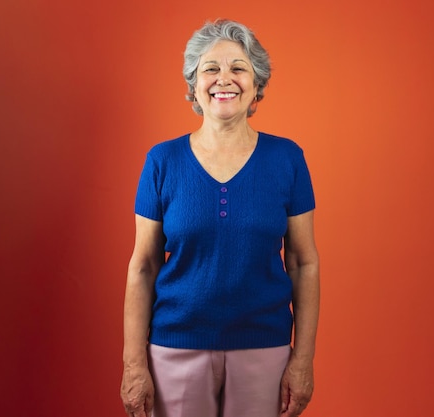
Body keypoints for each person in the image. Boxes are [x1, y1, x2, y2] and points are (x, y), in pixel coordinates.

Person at [120, 19, 320, 417]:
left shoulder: (288, 159)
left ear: (256, 84)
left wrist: (302, 360)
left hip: (265, 349)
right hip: (175, 350)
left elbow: (303, 262)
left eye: (238, 68)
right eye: (210, 68)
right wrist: (133, 364)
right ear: (193, 84)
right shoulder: (162, 161)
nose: (223, 79)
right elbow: (143, 267)